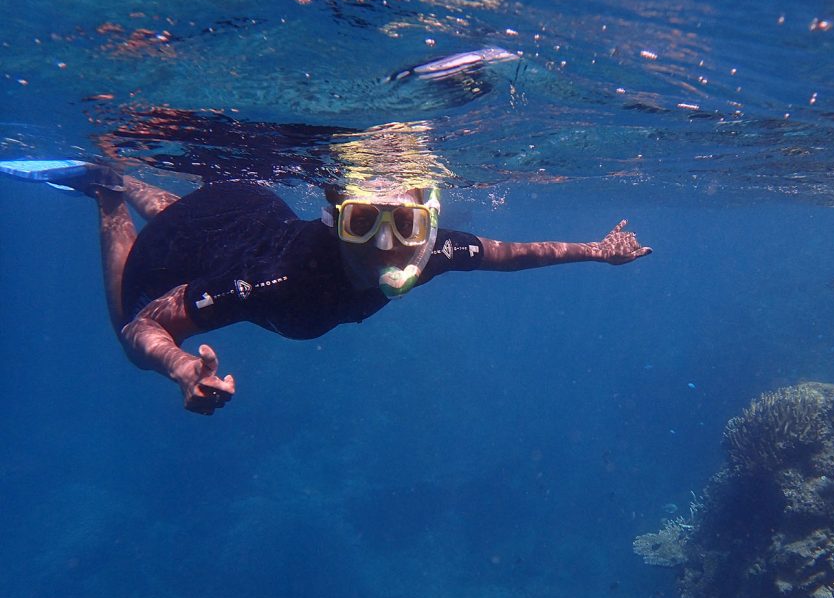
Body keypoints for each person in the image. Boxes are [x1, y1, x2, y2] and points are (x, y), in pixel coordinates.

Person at [51, 164, 651, 415]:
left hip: (240, 210)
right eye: (363, 223)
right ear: (335, 218)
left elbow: (509, 256)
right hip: (227, 236)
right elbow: (140, 328)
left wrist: (598, 251)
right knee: (125, 327)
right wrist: (180, 367)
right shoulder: (276, 283)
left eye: (407, 225)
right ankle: (110, 196)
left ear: (429, 223)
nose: (386, 248)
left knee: (191, 217)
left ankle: (131, 179)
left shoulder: (432, 252)